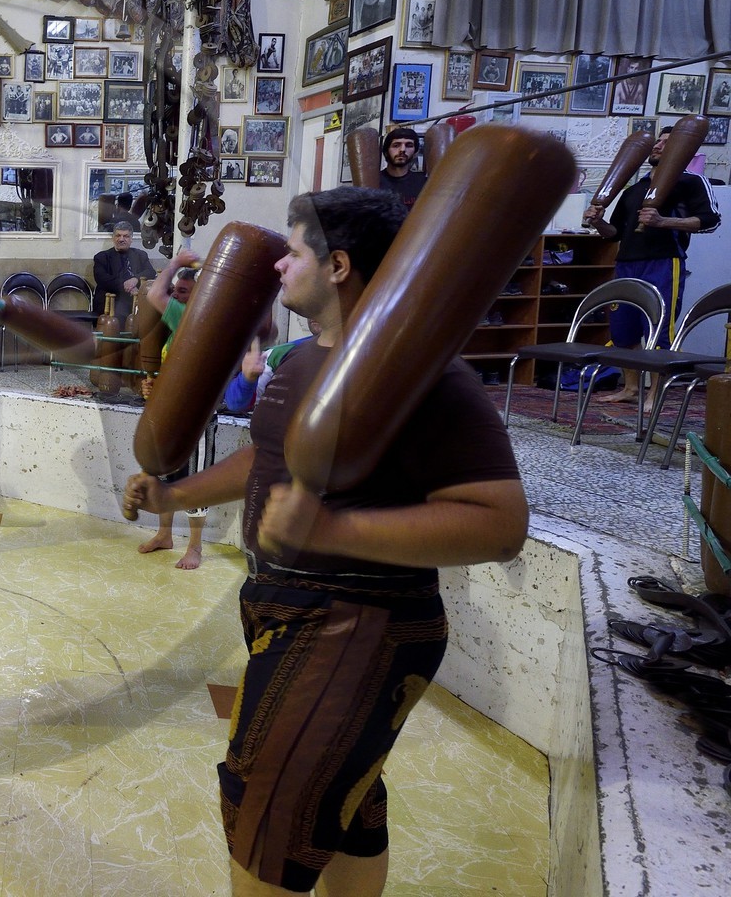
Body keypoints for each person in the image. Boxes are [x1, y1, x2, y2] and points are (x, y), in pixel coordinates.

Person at [123, 187, 527, 896]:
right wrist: (176, 495)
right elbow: (263, 460)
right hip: (288, 611)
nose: (279, 266)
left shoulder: (427, 375)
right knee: (347, 808)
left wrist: (336, 529)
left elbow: (500, 522)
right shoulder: (301, 361)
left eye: (295, 252)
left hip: (358, 622)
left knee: (266, 821)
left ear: (338, 265)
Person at [583, 124, 722, 403]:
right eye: (657, 142)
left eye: (666, 144)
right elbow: (615, 235)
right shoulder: (635, 189)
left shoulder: (691, 182)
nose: (658, 146)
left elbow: (710, 221)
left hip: (663, 262)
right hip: (627, 264)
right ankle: (631, 388)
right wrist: (598, 222)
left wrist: (663, 221)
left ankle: (655, 394)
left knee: (658, 330)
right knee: (623, 330)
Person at [137, 249, 205, 569]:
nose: (175, 296)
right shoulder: (182, 323)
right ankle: (165, 534)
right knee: (166, 476)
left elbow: (154, 293)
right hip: (171, 414)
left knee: (193, 481)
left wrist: (177, 261)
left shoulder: (192, 320)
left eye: (183, 292)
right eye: (176, 290)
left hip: (196, 419)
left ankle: (196, 548)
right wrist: (153, 388)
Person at [91, 221, 157, 322]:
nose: (121, 239)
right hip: (111, 301)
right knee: (122, 315)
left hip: (136, 300)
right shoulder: (102, 257)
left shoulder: (140, 255)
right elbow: (102, 279)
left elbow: (150, 272)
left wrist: (135, 279)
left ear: (131, 239)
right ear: (113, 238)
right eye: (118, 235)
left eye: (125, 236)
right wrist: (127, 286)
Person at [378, 126, 427, 211]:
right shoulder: (374, 181)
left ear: (415, 153)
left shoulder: (425, 184)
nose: (403, 150)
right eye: (396, 145)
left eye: (409, 145)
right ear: (386, 152)